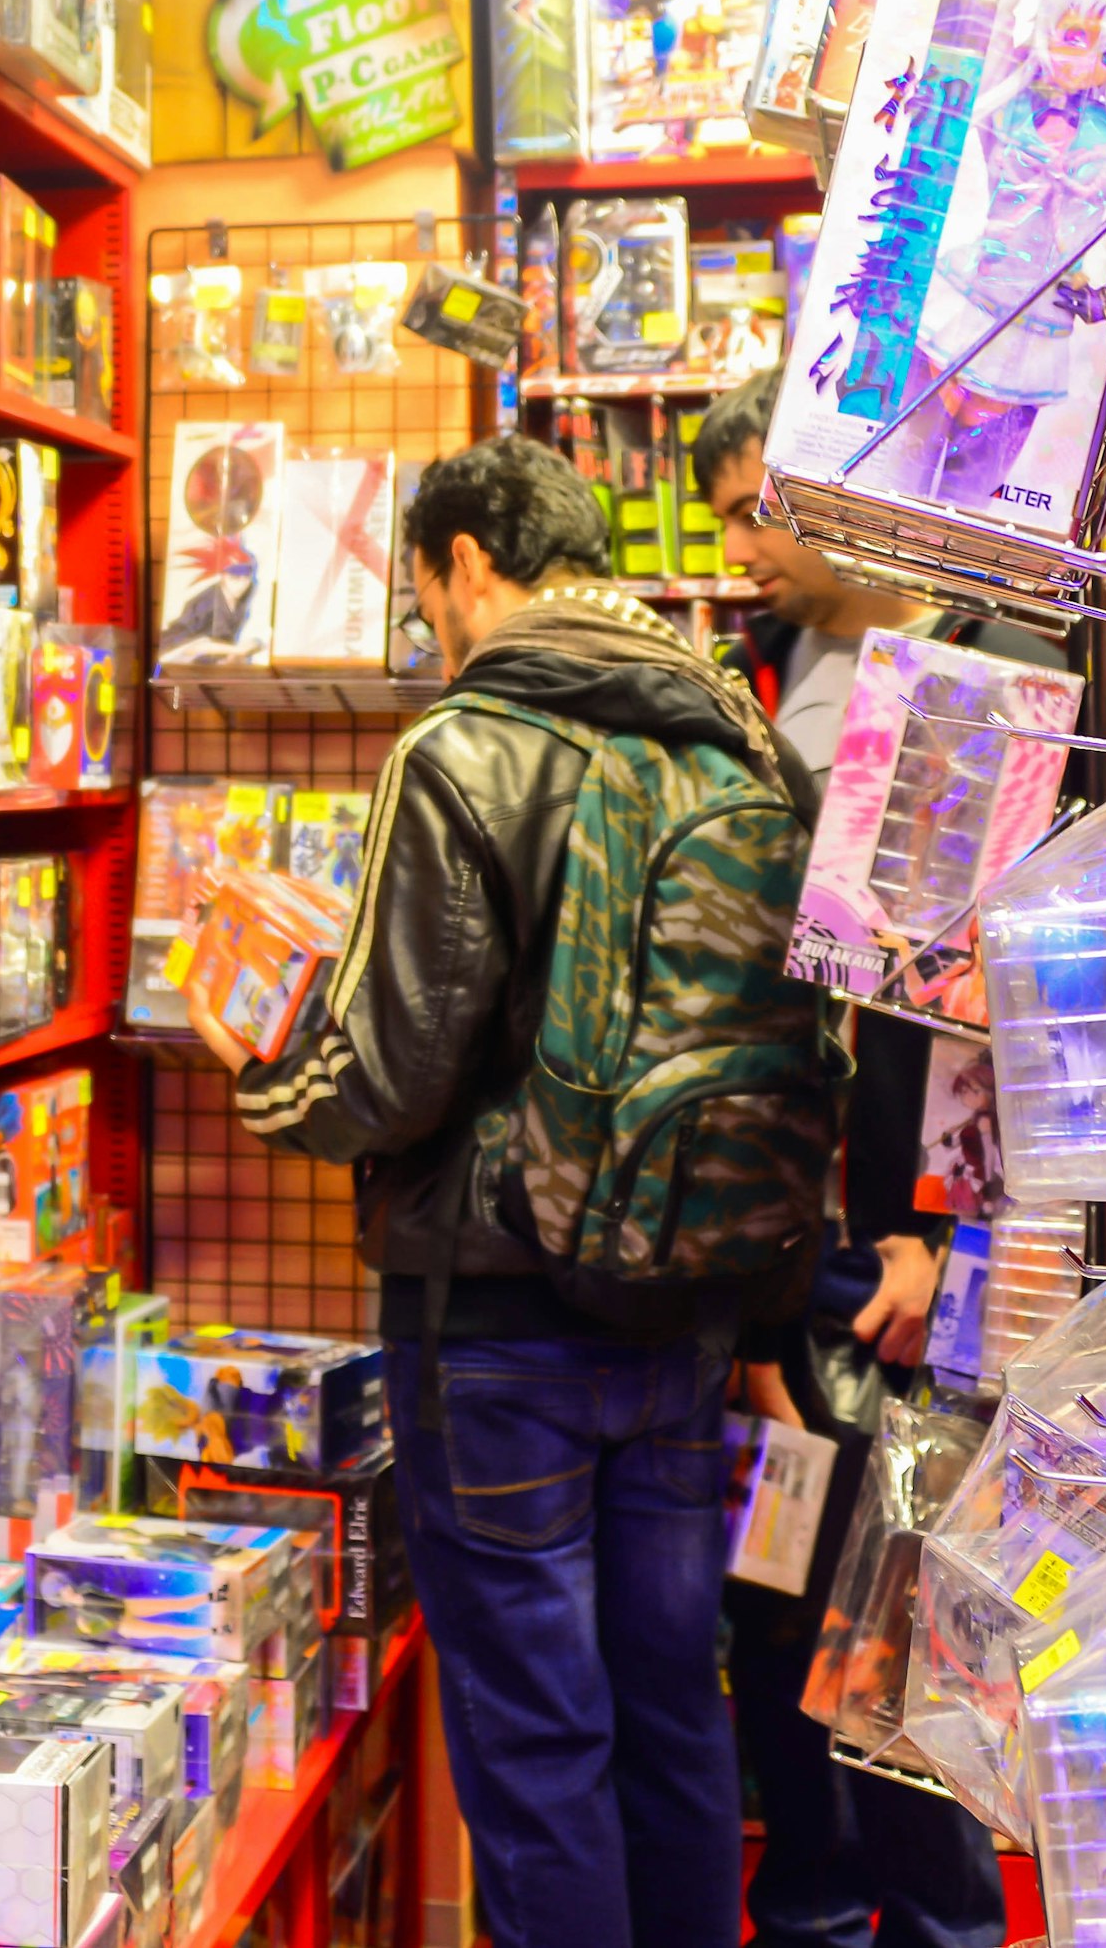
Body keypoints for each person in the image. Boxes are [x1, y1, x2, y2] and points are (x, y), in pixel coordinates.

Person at [193, 431, 827, 1948]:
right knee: (674, 1717)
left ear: (465, 563)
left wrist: (258, 1063)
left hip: (496, 1326)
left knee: (540, 1750)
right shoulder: (733, 732)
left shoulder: (461, 748)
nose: (428, 630)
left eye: (422, 598)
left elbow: (394, 1076)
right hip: (683, 1299)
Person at [694, 368, 1041, 1948]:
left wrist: (941, 1232)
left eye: (765, 511)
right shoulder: (763, 677)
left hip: (918, 1263)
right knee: (786, 1646)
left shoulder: (990, 668)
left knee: (909, 1666)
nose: (747, 548)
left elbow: (1003, 1004)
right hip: (792, 1258)